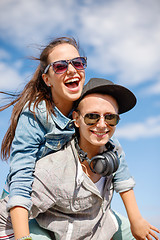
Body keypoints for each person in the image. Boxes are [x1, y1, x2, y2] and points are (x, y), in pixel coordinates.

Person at [0, 78, 159, 240]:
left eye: (110, 117)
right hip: (50, 228)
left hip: (97, 222)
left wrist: (136, 220)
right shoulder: (53, 169)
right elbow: (3, 215)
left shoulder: (113, 151)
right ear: (76, 119)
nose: (103, 125)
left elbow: (125, 183)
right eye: (92, 116)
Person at [0, 36, 86, 239]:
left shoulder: (86, 111)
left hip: (57, 205)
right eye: (60, 66)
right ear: (47, 79)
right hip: (22, 208)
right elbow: (21, 178)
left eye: (78, 62)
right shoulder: (34, 115)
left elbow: (111, 148)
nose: (72, 70)